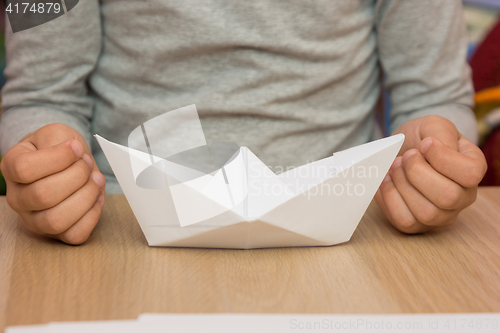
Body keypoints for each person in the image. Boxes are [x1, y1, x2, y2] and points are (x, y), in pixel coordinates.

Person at [0, 0, 487, 244]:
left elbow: (435, 94)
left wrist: (431, 160)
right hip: (122, 228)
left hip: (344, 226)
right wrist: (43, 158)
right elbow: (38, 93)